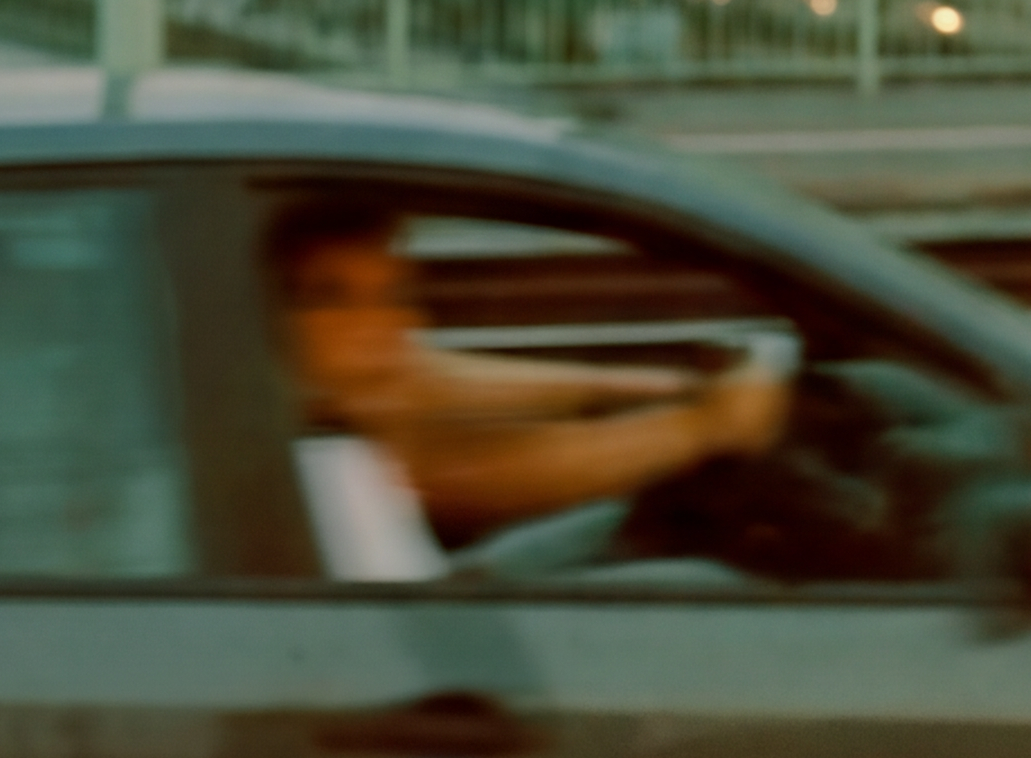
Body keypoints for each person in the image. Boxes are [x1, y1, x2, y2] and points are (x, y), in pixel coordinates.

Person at [269, 196, 797, 576]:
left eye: (395, 293)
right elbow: (474, 473)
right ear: (267, 312)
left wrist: (654, 389)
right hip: (435, 663)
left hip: (431, 600)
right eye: (332, 297)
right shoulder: (315, 452)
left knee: (632, 524)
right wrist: (705, 427)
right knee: (708, 585)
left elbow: (431, 373)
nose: (385, 325)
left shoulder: (319, 393)